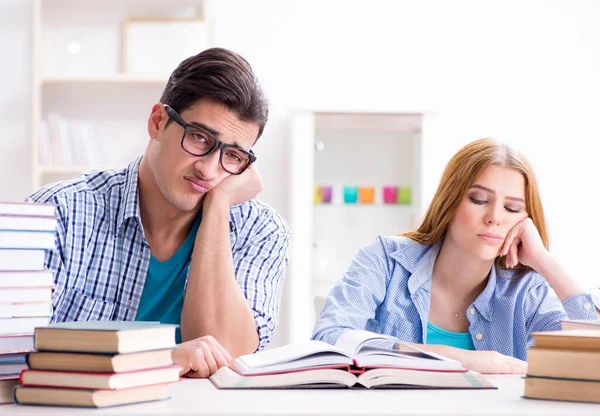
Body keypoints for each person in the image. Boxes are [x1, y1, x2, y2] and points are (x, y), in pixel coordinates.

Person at [28, 48, 290, 378]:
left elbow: (224, 355)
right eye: (199, 137)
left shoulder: (260, 231)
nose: (209, 171)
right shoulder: (56, 216)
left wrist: (218, 208)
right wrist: (159, 359)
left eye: (234, 156)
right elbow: (15, 357)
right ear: (158, 122)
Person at [312, 138, 599, 374]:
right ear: (450, 200)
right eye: (478, 200)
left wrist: (542, 260)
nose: (494, 218)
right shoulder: (386, 260)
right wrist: (452, 358)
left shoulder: (526, 291)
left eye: (512, 208)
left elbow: (590, 356)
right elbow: (328, 338)